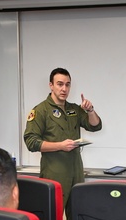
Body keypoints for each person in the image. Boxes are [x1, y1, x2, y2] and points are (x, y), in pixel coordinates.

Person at [23, 68, 102, 207]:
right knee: (54, 218)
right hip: (54, 173)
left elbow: (95, 126)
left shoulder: (74, 109)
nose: (64, 88)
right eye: (60, 84)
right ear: (51, 85)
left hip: (76, 172)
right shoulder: (41, 110)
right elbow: (31, 142)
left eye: (68, 84)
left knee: (78, 216)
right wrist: (60, 146)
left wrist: (90, 110)